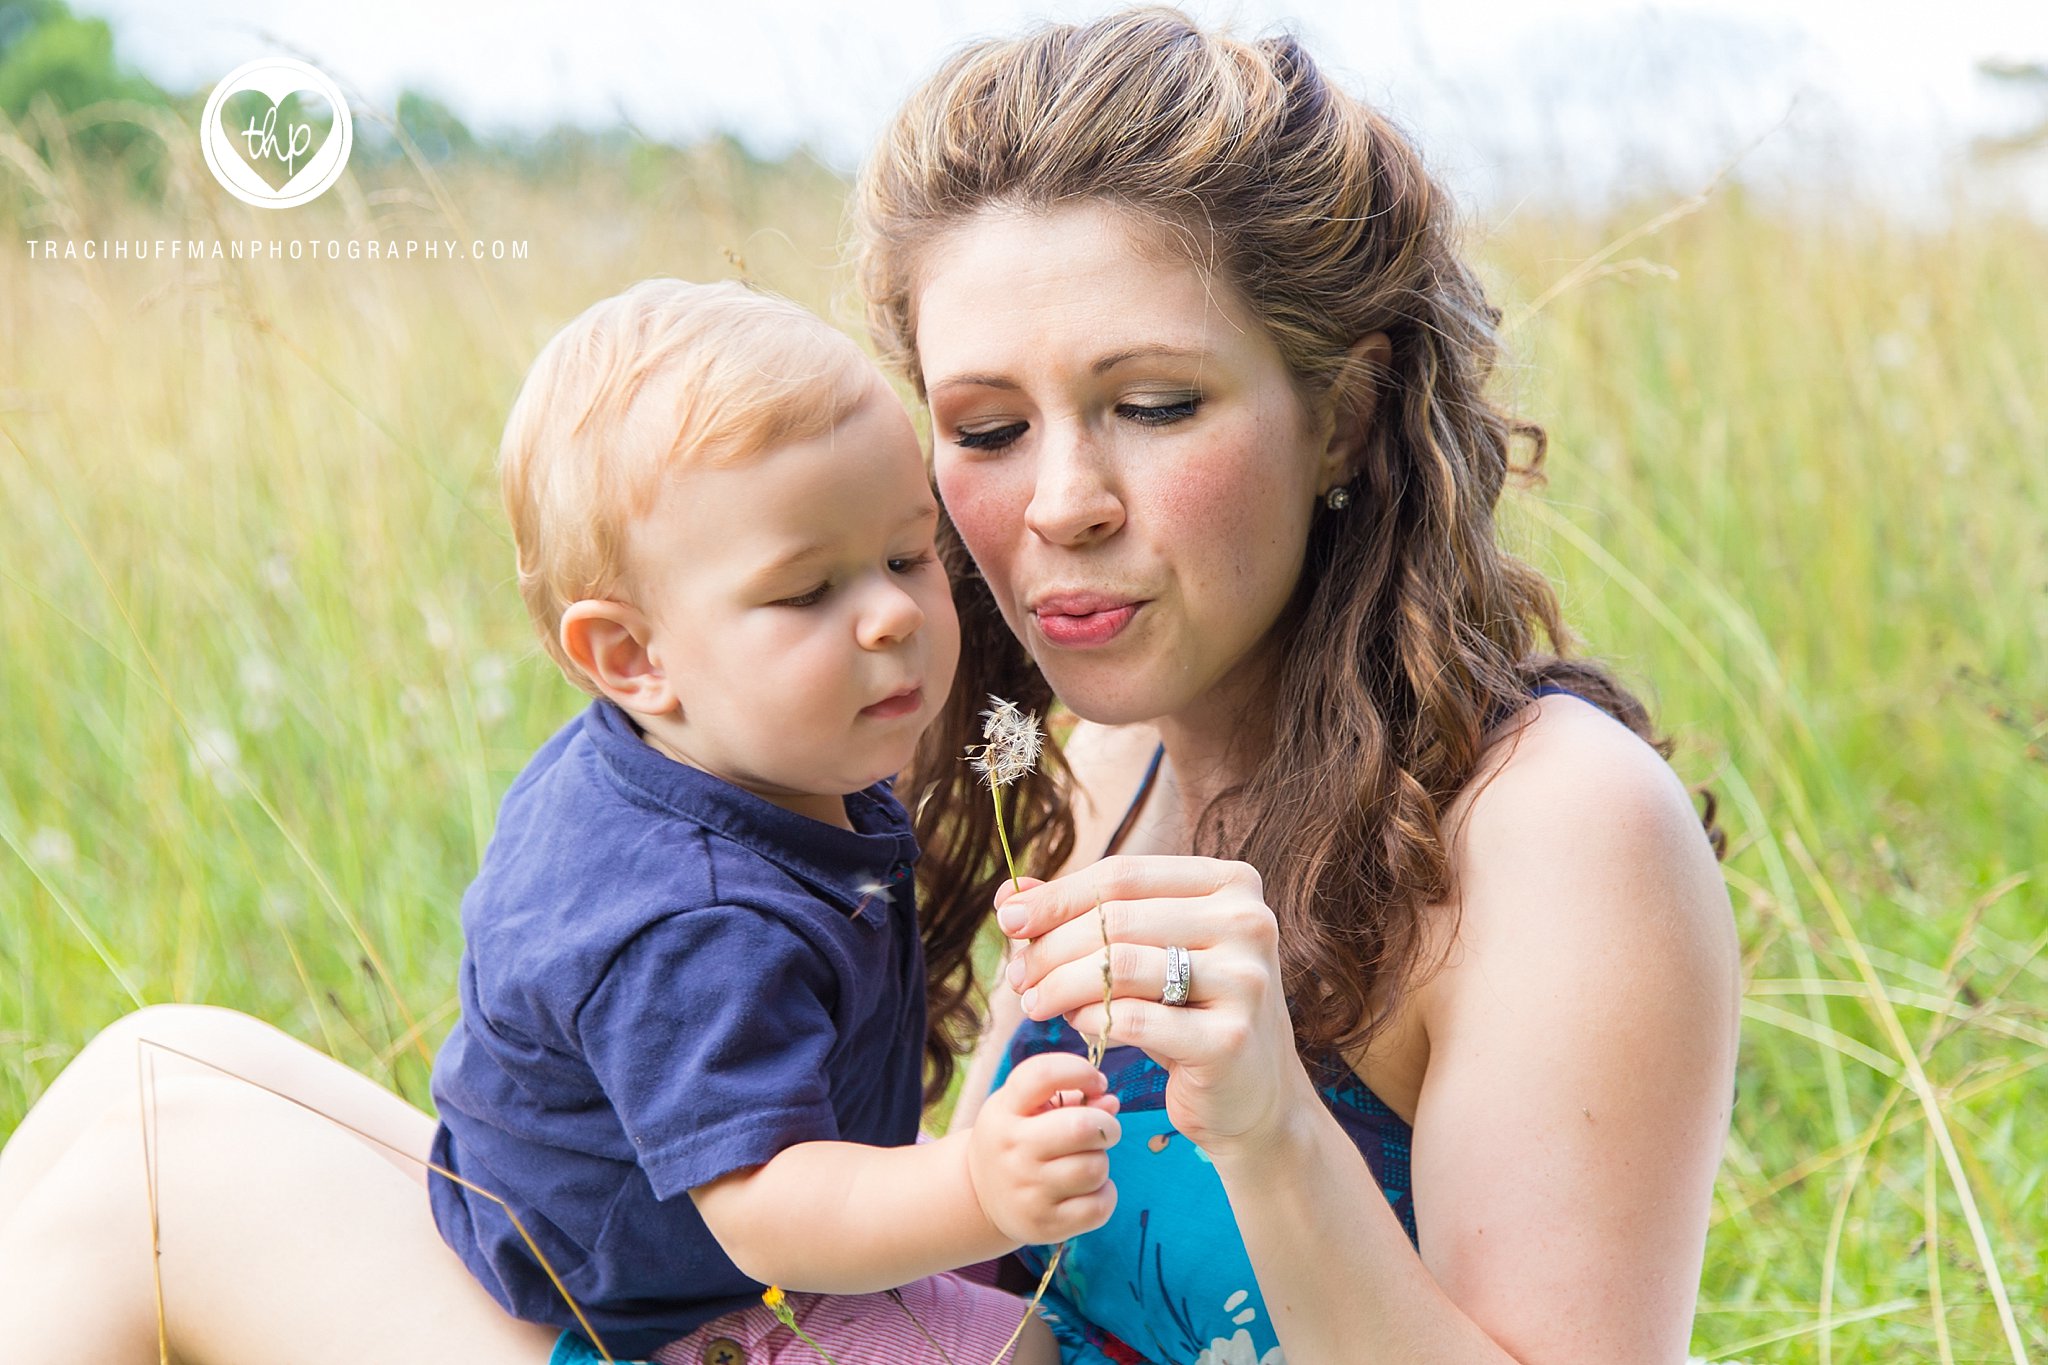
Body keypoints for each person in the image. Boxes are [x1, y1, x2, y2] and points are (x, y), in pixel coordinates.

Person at [0, 9, 1741, 1364]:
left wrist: (1277, 1130)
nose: (1056, 500)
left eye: (1152, 405)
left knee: (162, 1142)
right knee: (163, 1089)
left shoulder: (1554, 828)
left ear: (1343, 411)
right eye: (984, 428)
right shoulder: (1083, 748)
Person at [0, 279, 1118, 1364]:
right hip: (671, 1300)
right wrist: (972, 1186)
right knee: (1006, 1348)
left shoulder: (715, 757)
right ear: (631, 658)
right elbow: (765, 1209)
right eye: (803, 592)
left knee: (161, 1052)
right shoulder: (697, 918)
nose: (887, 615)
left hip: (571, 1214)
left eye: (903, 554)